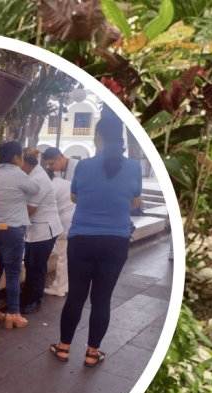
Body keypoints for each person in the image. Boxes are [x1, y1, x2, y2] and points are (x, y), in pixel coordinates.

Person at [50, 110, 142, 367]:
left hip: (82, 239)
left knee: (76, 296)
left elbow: (74, 198)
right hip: (116, 241)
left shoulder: (84, 166)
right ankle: (92, 353)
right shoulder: (134, 168)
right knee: (102, 299)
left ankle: (64, 348)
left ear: (98, 137)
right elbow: (135, 203)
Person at [0, 141, 41, 329]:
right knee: (13, 273)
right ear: (17, 158)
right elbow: (35, 189)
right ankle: (13, 314)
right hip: (13, 230)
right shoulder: (18, 174)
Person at [19, 147, 64, 314]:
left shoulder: (39, 179)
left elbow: (30, 209)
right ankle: (28, 297)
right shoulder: (33, 175)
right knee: (30, 264)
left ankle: (34, 300)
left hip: (45, 230)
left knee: (36, 266)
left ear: (25, 163)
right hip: (36, 229)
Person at [42, 147, 75, 297]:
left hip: (68, 219)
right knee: (66, 255)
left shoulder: (76, 168)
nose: (50, 167)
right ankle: (64, 284)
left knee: (63, 256)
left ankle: (61, 287)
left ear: (59, 158)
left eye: (50, 163)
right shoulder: (59, 180)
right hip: (70, 217)